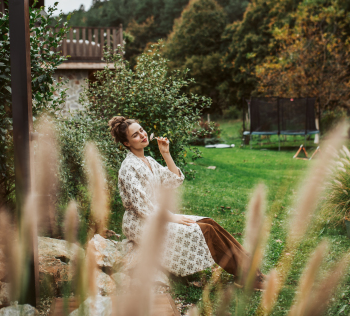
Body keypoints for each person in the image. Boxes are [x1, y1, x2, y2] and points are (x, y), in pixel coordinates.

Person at [109, 116, 264, 288]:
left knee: (208, 222)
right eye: (135, 135)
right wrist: (172, 218)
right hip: (141, 223)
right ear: (127, 143)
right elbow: (140, 206)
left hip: (158, 215)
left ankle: (251, 269)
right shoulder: (128, 167)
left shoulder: (148, 161)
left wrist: (166, 154)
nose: (143, 135)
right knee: (204, 230)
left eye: (142, 130)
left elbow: (174, 180)